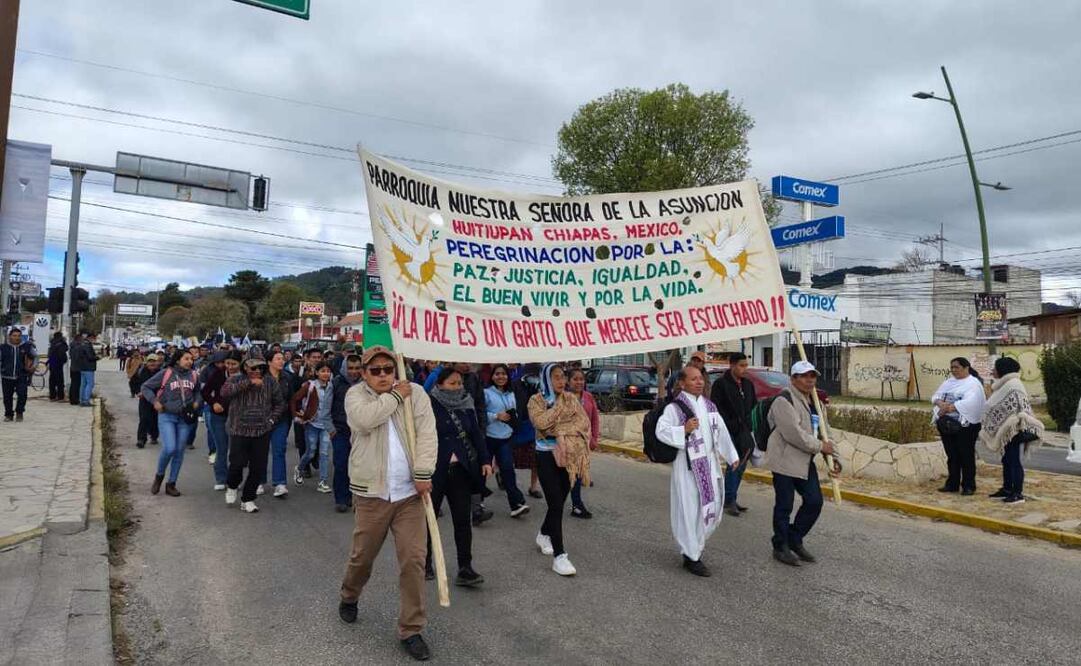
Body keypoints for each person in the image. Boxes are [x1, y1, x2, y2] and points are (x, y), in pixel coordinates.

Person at [338, 346, 437, 662]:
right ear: (364, 373)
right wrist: (395, 396)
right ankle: (349, 595)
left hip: (410, 495)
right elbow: (364, 421)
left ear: (396, 369)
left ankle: (411, 629)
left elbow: (427, 434)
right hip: (372, 494)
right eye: (375, 370)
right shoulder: (356, 395)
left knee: (414, 560)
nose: (383, 375)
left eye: (388, 369)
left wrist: (423, 472)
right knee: (362, 557)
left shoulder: (416, 393)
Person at [655, 365, 739, 577]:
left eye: (700, 378)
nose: (699, 382)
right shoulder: (675, 408)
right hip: (687, 467)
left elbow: (721, 431)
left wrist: (731, 456)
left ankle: (696, 548)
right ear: (682, 383)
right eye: (693, 379)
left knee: (710, 507)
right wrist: (683, 430)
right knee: (689, 510)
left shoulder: (709, 406)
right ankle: (691, 555)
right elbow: (661, 431)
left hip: (709, 465)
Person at [766, 361, 836, 567]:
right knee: (784, 505)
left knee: (814, 502)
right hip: (784, 460)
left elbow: (825, 432)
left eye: (812, 376)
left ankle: (794, 539)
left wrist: (834, 459)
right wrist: (820, 447)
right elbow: (793, 434)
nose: (809, 380)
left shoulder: (816, 402)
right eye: (804, 376)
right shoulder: (783, 400)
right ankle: (780, 546)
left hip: (804, 461)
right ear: (793, 379)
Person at [426, 368, 492, 587]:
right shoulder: (428, 405)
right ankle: (424, 563)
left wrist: (484, 459)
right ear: (440, 384)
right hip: (434, 470)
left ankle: (465, 567)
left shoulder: (466, 403)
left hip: (461, 470)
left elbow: (476, 434)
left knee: (462, 521)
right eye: (452, 383)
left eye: (460, 383)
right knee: (429, 519)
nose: (458, 387)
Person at [527, 363, 591, 576]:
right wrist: (558, 411)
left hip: (568, 455)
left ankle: (543, 534)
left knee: (560, 501)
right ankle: (560, 556)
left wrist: (560, 429)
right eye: (556, 377)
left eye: (563, 377)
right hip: (545, 455)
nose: (561, 381)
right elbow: (541, 423)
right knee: (555, 502)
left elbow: (583, 423)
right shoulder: (536, 400)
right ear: (546, 379)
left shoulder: (571, 398)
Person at [222, 358, 283, 513]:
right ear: (245, 367)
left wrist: (271, 420)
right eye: (253, 368)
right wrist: (248, 383)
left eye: (260, 368)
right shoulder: (235, 379)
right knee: (237, 464)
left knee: (258, 467)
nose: (256, 371)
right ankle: (232, 486)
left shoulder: (270, 382)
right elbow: (225, 392)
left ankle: (248, 499)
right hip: (239, 429)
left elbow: (279, 403)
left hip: (262, 430)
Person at [980, 357, 1044, 505]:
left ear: (1002, 369)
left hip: (1014, 429)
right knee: (1007, 460)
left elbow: (1017, 407)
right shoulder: (1004, 384)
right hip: (1007, 429)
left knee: (1014, 461)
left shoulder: (1013, 384)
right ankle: (1007, 488)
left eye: (995, 368)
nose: (993, 371)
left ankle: (1017, 494)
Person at [142, 349, 203, 496]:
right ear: (177, 360)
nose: (190, 361)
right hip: (167, 416)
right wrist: (155, 401)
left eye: (191, 359)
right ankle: (159, 476)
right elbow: (145, 387)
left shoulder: (194, 375)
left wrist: (197, 402)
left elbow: (198, 392)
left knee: (179, 451)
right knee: (170, 448)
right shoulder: (166, 373)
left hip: (185, 418)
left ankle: (171, 483)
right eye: (186, 358)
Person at [711, 352, 757, 517]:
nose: (744, 369)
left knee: (742, 463)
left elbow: (753, 406)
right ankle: (729, 499)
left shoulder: (748, 385)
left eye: (746, 365)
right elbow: (716, 408)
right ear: (732, 365)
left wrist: (750, 424)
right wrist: (730, 424)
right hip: (728, 430)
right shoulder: (721, 384)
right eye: (741, 365)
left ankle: (731, 497)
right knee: (734, 462)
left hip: (744, 431)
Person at [931, 357, 986, 495]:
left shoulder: (973, 384)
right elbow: (936, 396)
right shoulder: (948, 382)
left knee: (966, 455)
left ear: (966, 368)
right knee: (952, 455)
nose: (954, 370)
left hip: (966, 426)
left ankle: (968, 485)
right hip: (947, 424)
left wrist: (951, 407)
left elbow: (972, 402)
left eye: (957, 367)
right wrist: (940, 403)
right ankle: (952, 483)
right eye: (952, 367)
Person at [483, 364, 529, 517]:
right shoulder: (486, 393)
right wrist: (496, 416)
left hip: (506, 438)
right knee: (483, 471)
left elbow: (516, 411)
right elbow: (480, 414)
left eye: (504, 374)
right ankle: (477, 504)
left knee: (508, 471)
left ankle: (516, 504)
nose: (501, 377)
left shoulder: (511, 393)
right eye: (497, 374)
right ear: (492, 376)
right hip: (489, 437)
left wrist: (514, 418)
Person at [292, 362, 334, 493]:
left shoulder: (332, 386)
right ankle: (299, 468)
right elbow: (295, 399)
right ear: (316, 373)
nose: (326, 373)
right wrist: (298, 415)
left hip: (326, 425)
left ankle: (323, 482)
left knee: (324, 453)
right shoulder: (310, 386)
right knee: (311, 451)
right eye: (323, 371)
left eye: (328, 371)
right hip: (312, 424)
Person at [204, 351, 242, 490]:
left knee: (236, 450)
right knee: (221, 448)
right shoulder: (218, 374)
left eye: (234, 364)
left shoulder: (245, 376)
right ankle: (221, 478)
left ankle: (234, 480)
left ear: (240, 363)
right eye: (227, 363)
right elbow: (205, 392)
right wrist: (213, 403)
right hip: (218, 416)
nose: (230, 367)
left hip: (238, 417)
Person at [330, 354, 363, 512]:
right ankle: (341, 498)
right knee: (341, 464)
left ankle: (353, 496)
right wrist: (330, 429)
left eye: (357, 368)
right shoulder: (336, 383)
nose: (354, 371)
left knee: (357, 466)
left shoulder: (365, 384)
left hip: (360, 432)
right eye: (350, 368)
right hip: (340, 431)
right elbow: (325, 407)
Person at [567, 368, 599, 519]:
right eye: (575, 379)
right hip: (567, 443)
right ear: (568, 381)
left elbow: (595, 419)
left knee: (577, 474)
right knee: (569, 475)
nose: (579, 382)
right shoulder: (563, 398)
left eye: (581, 379)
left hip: (584, 443)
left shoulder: (588, 397)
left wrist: (594, 438)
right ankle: (572, 504)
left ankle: (576, 505)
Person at [512, 363, 544, 499]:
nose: (534, 377)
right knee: (512, 458)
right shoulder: (515, 385)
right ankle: (506, 478)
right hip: (518, 426)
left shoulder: (541, 387)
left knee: (535, 459)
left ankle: (533, 487)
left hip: (535, 427)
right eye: (532, 375)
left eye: (537, 375)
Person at [265, 351, 293, 499]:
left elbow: (291, 397)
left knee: (279, 449)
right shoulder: (262, 377)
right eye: (278, 359)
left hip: (281, 419)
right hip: (263, 420)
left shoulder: (287, 377)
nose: (281, 361)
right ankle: (259, 481)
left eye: (282, 359)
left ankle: (280, 483)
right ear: (269, 362)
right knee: (261, 452)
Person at [1, 328, 35, 421]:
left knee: (22, 395)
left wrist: (33, 367)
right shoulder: (3, 348)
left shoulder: (26, 347)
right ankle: (9, 415)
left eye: (19, 336)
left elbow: (35, 357)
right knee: (7, 397)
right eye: (14, 336)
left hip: (21, 376)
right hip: (6, 376)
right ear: (10, 336)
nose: (17, 338)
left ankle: (19, 412)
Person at [130, 353, 163, 448]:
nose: (152, 363)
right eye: (150, 361)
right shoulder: (141, 371)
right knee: (144, 418)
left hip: (157, 399)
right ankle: (141, 439)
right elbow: (132, 382)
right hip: (144, 399)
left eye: (154, 361)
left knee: (155, 419)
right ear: (147, 362)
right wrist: (137, 392)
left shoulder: (161, 373)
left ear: (158, 362)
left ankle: (154, 436)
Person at [76, 332, 99, 407]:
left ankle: (81, 400)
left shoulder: (82, 344)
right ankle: (86, 400)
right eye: (94, 338)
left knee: (83, 384)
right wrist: (97, 357)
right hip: (88, 367)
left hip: (82, 367)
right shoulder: (88, 345)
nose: (95, 340)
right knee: (90, 384)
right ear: (91, 338)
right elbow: (90, 357)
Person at [48, 332, 68, 402]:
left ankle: (52, 396)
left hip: (52, 361)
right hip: (58, 362)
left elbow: (50, 353)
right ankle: (60, 397)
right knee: (60, 380)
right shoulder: (61, 343)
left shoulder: (52, 343)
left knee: (52, 380)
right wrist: (63, 360)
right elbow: (62, 353)